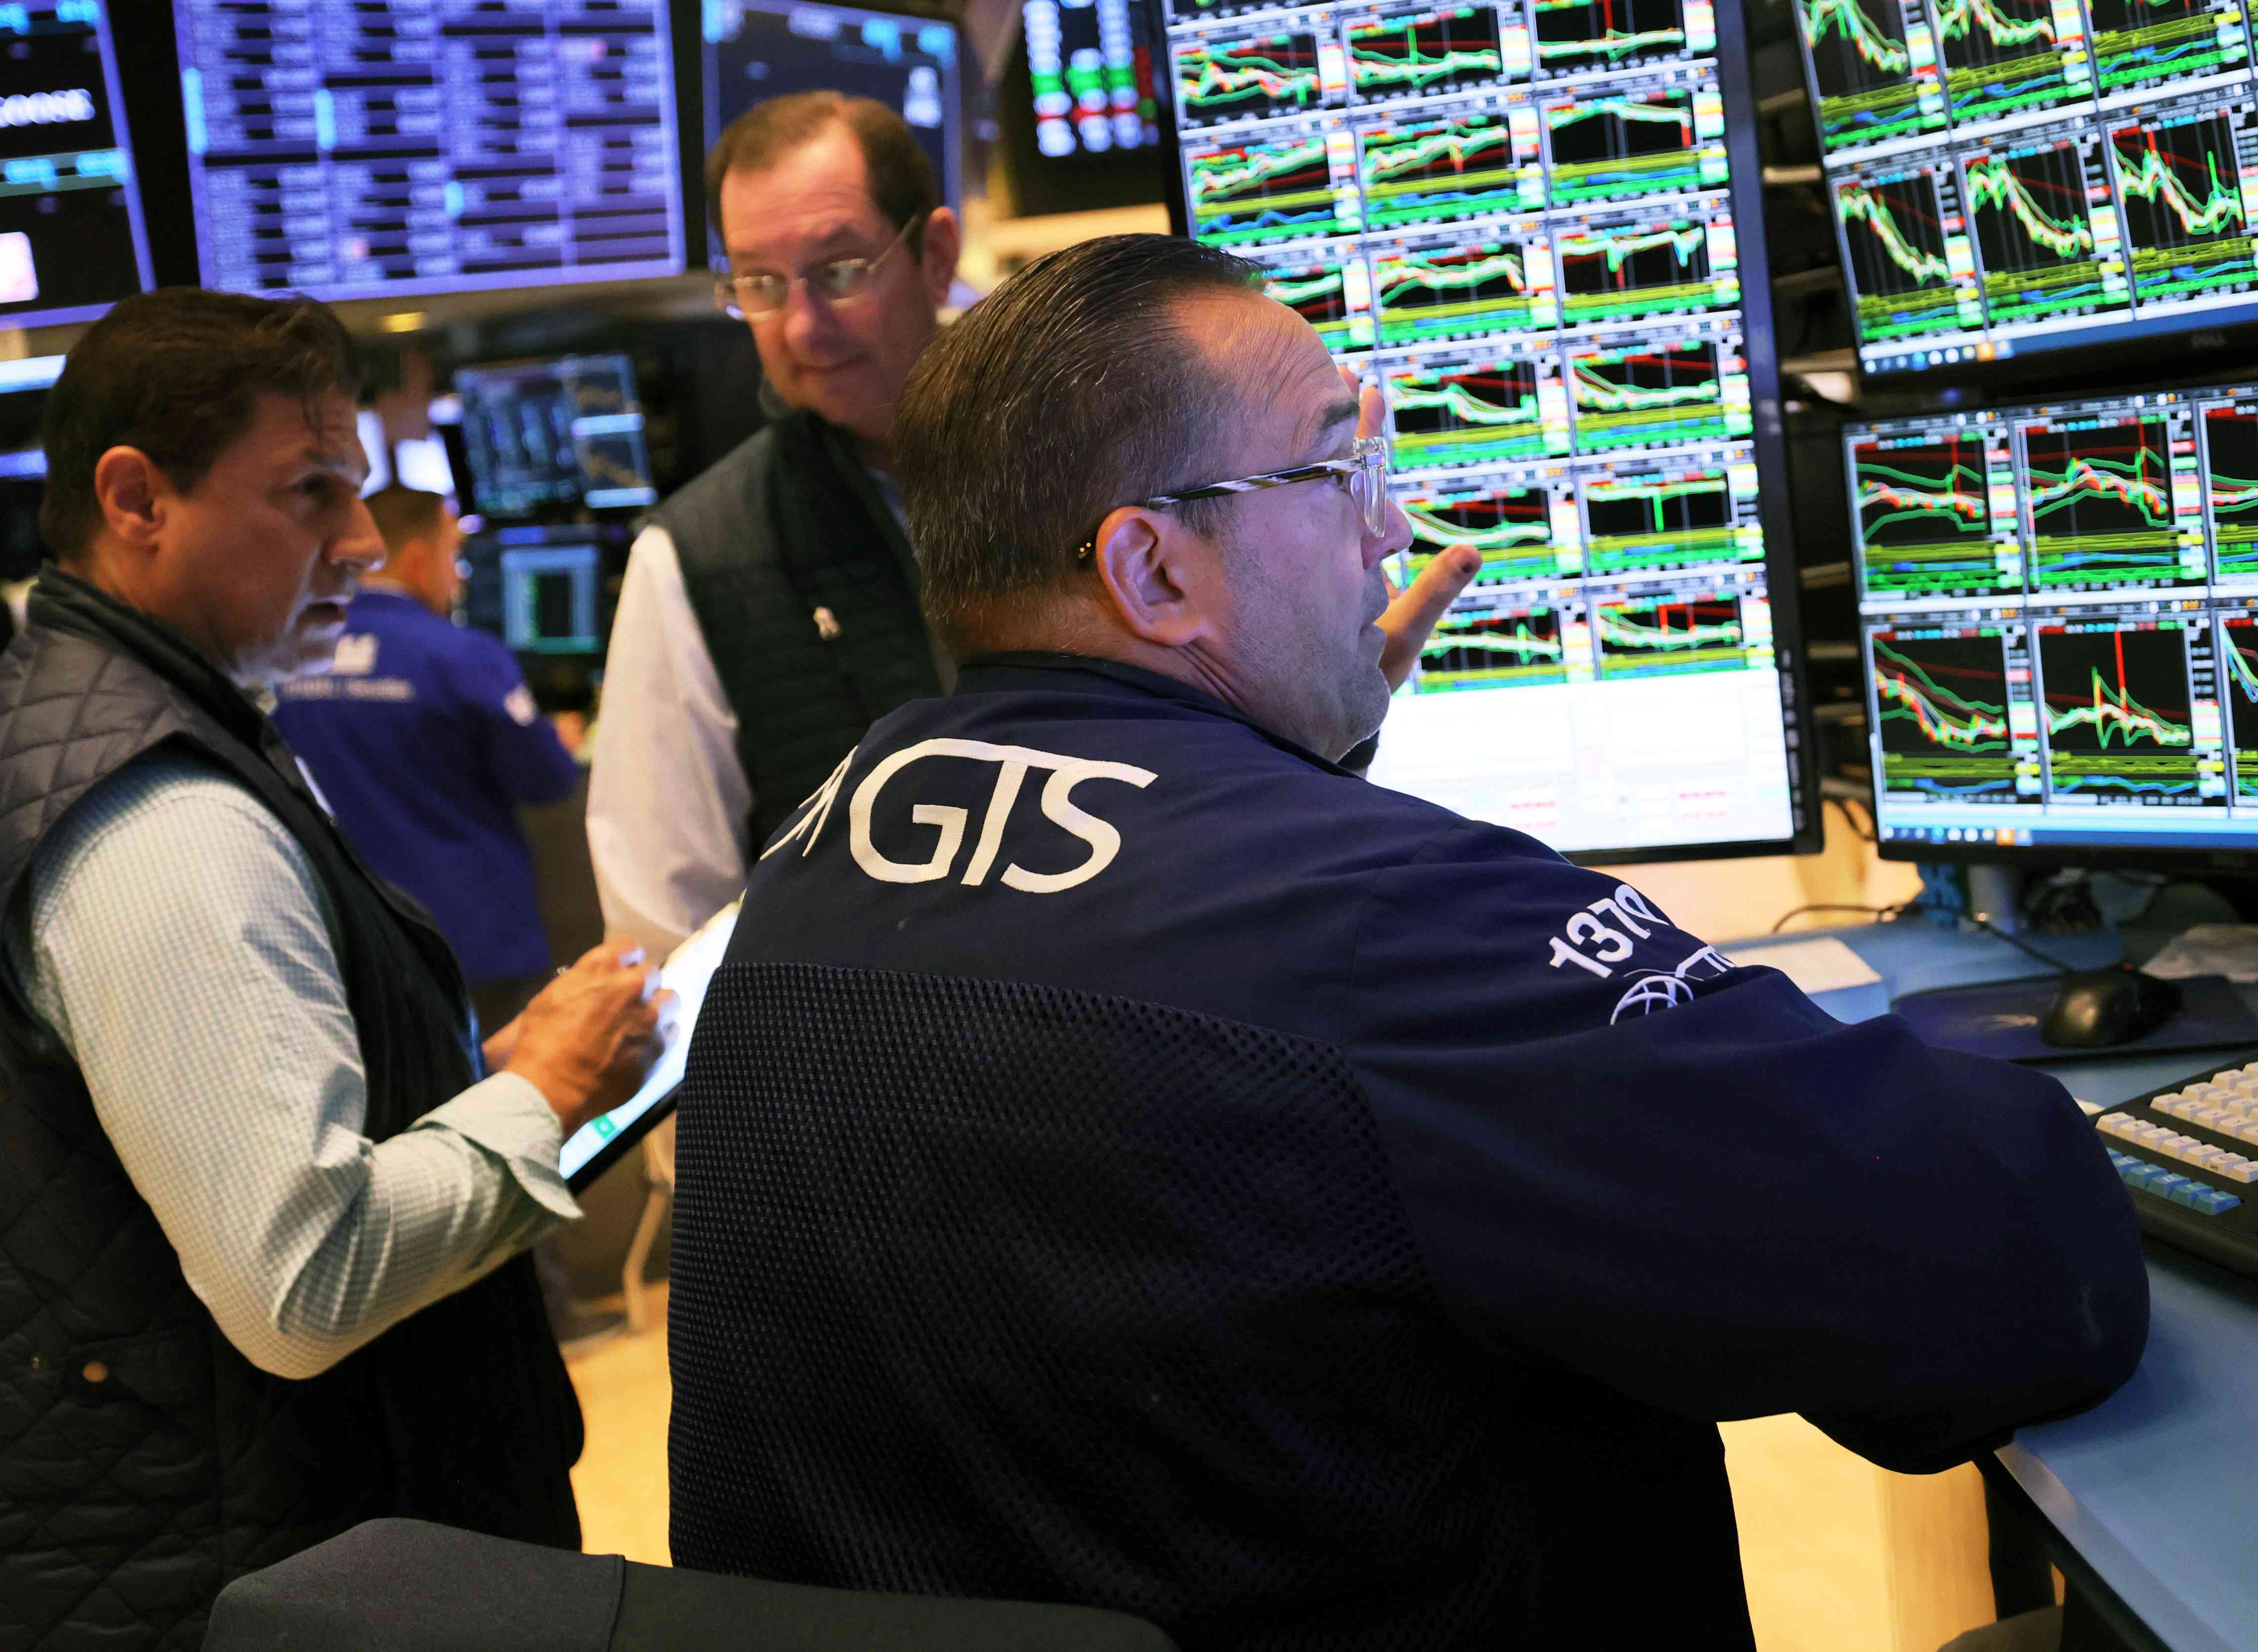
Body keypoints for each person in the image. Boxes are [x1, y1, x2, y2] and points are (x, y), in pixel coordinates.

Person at [663, 236, 2149, 1648]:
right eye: (1335, 467)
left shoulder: (806, 872)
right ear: (1152, 571)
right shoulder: (1382, 921)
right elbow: (2001, 1284)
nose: (1389, 524)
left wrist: (1287, 768)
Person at [0, 290, 671, 1652]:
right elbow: (301, 1282)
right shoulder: (160, 816)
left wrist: (483, 1081)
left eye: (361, 491)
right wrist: (536, 1094)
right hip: (202, 1583)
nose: (362, 543)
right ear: (135, 497)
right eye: (309, 492)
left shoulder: (108, 707)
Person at [586, 91, 962, 958]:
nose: (801, 325)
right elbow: (665, 935)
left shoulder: (1087, 467)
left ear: (934, 255)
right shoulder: (692, 556)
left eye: (839, 271)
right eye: (759, 284)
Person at [274, 485, 582, 1034]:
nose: (458, 576)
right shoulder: (462, 655)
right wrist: (553, 736)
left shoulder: (292, 657)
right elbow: (548, 780)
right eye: (452, 557)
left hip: (348, 945)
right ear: (418, 560)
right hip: (472, 943)